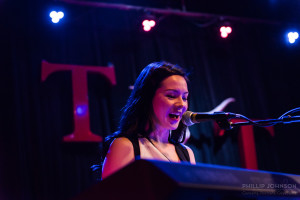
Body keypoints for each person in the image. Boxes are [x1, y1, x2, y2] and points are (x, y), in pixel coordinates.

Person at [101, 62, 196, 179]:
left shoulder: (187, 154)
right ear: (148, 98)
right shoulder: (125, 146)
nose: (181, 104)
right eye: (171, 96)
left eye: (185, 97)